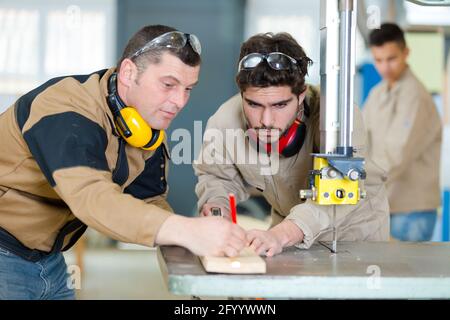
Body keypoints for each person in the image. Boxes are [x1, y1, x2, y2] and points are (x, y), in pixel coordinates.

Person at [0, 24, 247, 300]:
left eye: (188, 89)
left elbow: (149, 199)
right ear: (129, 72)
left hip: (50, 261)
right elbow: (93, 198)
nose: (179, 101)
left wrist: (197, 237)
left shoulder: (144, 127)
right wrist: (187, 231)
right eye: (168, 85)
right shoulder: (66, 110)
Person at [194, 32, 389, 257]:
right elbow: (217, 177)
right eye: (254, 104)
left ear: (301, 95)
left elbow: (340, 190)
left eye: (279, 105)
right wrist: (219, 211)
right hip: (285, 227)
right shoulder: (225, 120)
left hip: (353, 233)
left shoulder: (337, 116)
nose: (266, 120)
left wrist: (281, 234)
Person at [363, 23, 442, 241]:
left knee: (401, 275)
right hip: (385, 205)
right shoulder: (377, 93)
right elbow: (361, 140)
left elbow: (397, 154)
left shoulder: (415, 96)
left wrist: (360, 184)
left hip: (411, 211)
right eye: (378, 60)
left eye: (391, 59)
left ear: (406, 53)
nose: (385, 67)